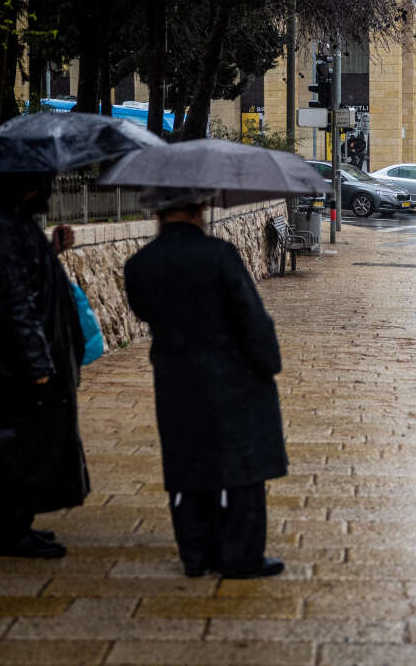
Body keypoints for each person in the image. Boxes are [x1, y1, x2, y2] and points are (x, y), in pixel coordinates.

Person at [123, 188, 288, 579]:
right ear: (199, 209)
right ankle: (239, 556)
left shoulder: (140, 265)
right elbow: (251, 318)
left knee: (186, 461)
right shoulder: (220, 256)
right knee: (239, 465)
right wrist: (268, 362)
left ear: (158, 214)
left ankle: (195, 554)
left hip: (175, 378)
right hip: (232, 377)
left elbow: (144, 309)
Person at [0, 174, 89, 559]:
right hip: (10, 365)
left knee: (20, 441)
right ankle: (9, 530)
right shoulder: (0, 227)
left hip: (3, 360)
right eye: (44, 185)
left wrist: (51, 249)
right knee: (17, 442)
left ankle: (13, 523)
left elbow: (19, 276)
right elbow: (14, 300)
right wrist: (38, 362)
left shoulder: (0, 219)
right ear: (27, 187)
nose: (48, 192)